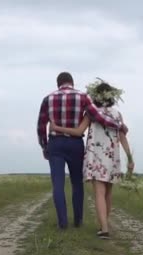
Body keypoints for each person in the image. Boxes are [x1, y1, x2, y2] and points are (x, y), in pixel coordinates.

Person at [37, 72, 128, 230]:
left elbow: (41, 126)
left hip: (55, 144)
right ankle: (78, 221)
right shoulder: (83, 97)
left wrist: (45, 147)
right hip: (75, 144)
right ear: (72, 82)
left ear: (58, 83)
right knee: (76, 184)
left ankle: (63, 223)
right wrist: (119, 125)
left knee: (57, 185)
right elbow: (99, 117)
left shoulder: (48, 99)